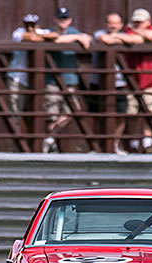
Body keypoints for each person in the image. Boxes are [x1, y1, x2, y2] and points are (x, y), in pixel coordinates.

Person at [44, 6, 92, 153]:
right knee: (51, 116)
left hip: (70, 80)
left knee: (71, 111)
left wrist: (82, 37)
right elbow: (56, 40)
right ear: (55, 19)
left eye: (65, 18)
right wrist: (77, 38)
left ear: (70, 20)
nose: (63, 21)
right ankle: (51, 142)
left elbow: (89, 39)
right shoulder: (49, 32)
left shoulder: (74, 31)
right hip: (52, 81)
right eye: (60, 18)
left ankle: (49, 139)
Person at [123, 8, 152, 153]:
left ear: (148, 22)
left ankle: (148, 142)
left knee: (150, 111)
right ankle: (134, 142)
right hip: (132, 81)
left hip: (149, 81)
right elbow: (133, 39)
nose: (137, 25)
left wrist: (145, 35)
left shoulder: (150, 29)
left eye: (141, 22)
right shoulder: (128, 32)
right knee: (132, 113)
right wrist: (148, 38)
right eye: (135, 22)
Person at [7, 14, 58, 131]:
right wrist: (42, 37)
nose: (29, 28)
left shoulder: (40, 31)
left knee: (37, 112)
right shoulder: (17, 32)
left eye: (32, 25)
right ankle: (17, 147)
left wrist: (40, 34)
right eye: (27, 25)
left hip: (35, 79)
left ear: (37, 25)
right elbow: (32, 38)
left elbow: (55, 36)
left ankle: (34, 145)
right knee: (15, 113)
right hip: (17, 78)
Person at [89, 13, 129, 155]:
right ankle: (98, 146)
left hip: (119, 83)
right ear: (106, 24)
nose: (113, 26)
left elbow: (137, 38)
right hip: (98, 82)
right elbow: (104, 39)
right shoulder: (98, 33)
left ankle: (114, 144)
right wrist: (122, 39)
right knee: (97, 116)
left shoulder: (125, 35)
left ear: (121, 25)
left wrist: (119, 38)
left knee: (121, 114)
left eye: (116, 23)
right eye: (110, 23)